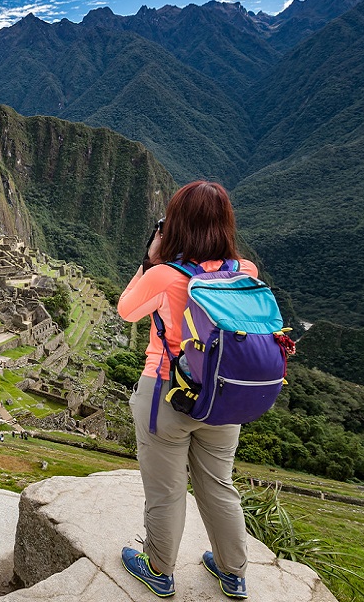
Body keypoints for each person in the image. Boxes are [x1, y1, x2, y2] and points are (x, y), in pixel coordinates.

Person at [115, 181, 253, 600]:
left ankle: (159, 568)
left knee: (166, 489)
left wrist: (151, 258)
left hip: (166, 395)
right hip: (224, 398)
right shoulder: (245, 272)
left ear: (173, 225)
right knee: (218, 484)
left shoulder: (164, 275)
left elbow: (127, 310)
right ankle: (233, 572)